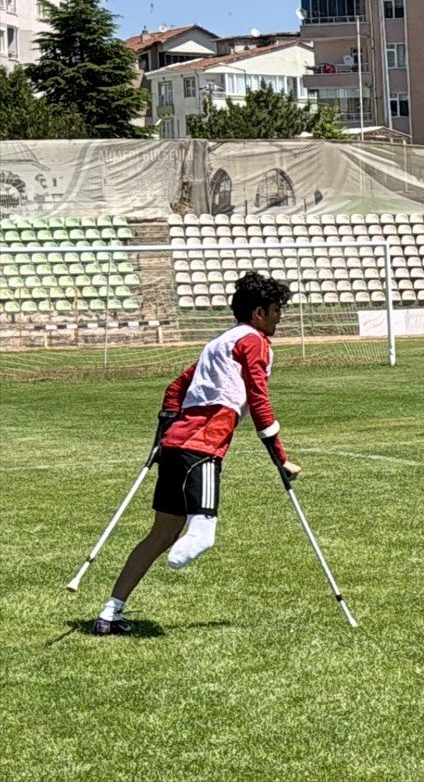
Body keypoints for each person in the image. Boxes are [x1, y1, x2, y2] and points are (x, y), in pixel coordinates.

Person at [93, 272, 300, 635]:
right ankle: (121, 605)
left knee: (161, 534)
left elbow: (175, 388)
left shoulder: (219, 342)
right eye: (276, 310)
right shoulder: (255, 342)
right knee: (200, 535)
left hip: (176, 447)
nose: (280, 317)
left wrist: (164, 433)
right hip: (201, 450)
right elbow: (259, 399)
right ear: (258, 312)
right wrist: (280, 456)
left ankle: (109, 613)